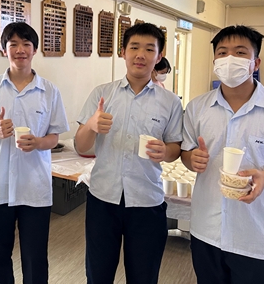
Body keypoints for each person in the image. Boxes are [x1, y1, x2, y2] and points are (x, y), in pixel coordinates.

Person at [181, 25, 264, 284]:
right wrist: (191, 158)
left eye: (240, 52)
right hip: (207, 230)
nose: (230, 59)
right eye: (222, 53)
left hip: (257, 235)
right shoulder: (197, 108)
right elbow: (186, 152)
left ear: (256, 63)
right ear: (215, 62)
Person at [75, 22, 183, 284]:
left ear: (159, 56)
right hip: (103, 199)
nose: (140, 55)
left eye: (149, 49)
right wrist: (91, 125)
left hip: (147, 200)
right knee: (98, 275)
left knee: (144, 276)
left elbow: (175, 149)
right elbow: (80, 145)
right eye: (134, 47)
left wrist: (165, 151)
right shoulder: (103, 94)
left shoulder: (170, 102)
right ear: (123, 52)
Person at [0, 22, 69, 284]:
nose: (20, 49)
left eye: (26, 44)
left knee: (35, 258)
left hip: (34, 187)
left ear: (35, 50)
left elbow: (55, 137)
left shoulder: (49, 91)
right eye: (13, 44)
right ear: (4, 50)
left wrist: (38, 142)